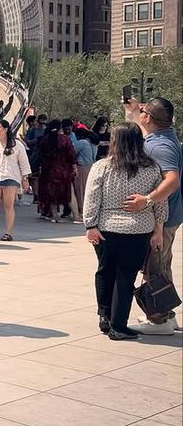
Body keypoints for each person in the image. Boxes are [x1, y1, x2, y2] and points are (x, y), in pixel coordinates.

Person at [84, 124, 167, 341]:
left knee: (105, 271)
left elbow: (92, 198)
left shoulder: (102, 167)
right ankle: (119, 324)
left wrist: (90, 225)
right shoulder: (151, 169)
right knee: (126, 275)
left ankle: (105, 315)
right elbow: (160, 202)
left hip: (106, 229)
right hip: (139, 229)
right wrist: (158, 231)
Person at [123, 97, 181, 336]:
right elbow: (144, 128)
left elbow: (172, 180)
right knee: (161, 264)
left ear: (149, 118)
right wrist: (135, 111)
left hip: (163, 217)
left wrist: (147, 200)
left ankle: (159, 320)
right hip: (170, 216)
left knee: (154, 267)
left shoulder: (160, 146)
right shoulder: (164, 138)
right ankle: (166, 314)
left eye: (143, 111)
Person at [0, 119, 31, 241]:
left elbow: (24, 162)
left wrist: (25, 179)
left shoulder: (17, 145)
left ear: (6, 129)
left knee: (8, 205)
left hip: (11, 176)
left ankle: (8, 233)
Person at [37, 121, 76, 222]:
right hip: (63, 170)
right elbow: (71, 154)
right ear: (60, 128)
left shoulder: (45, 139)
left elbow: (40, 155)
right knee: (63, 192)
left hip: (48, 169)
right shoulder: (65, 139)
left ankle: (53, 214)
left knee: (50, 192)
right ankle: (72, 214)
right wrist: (74, 167)